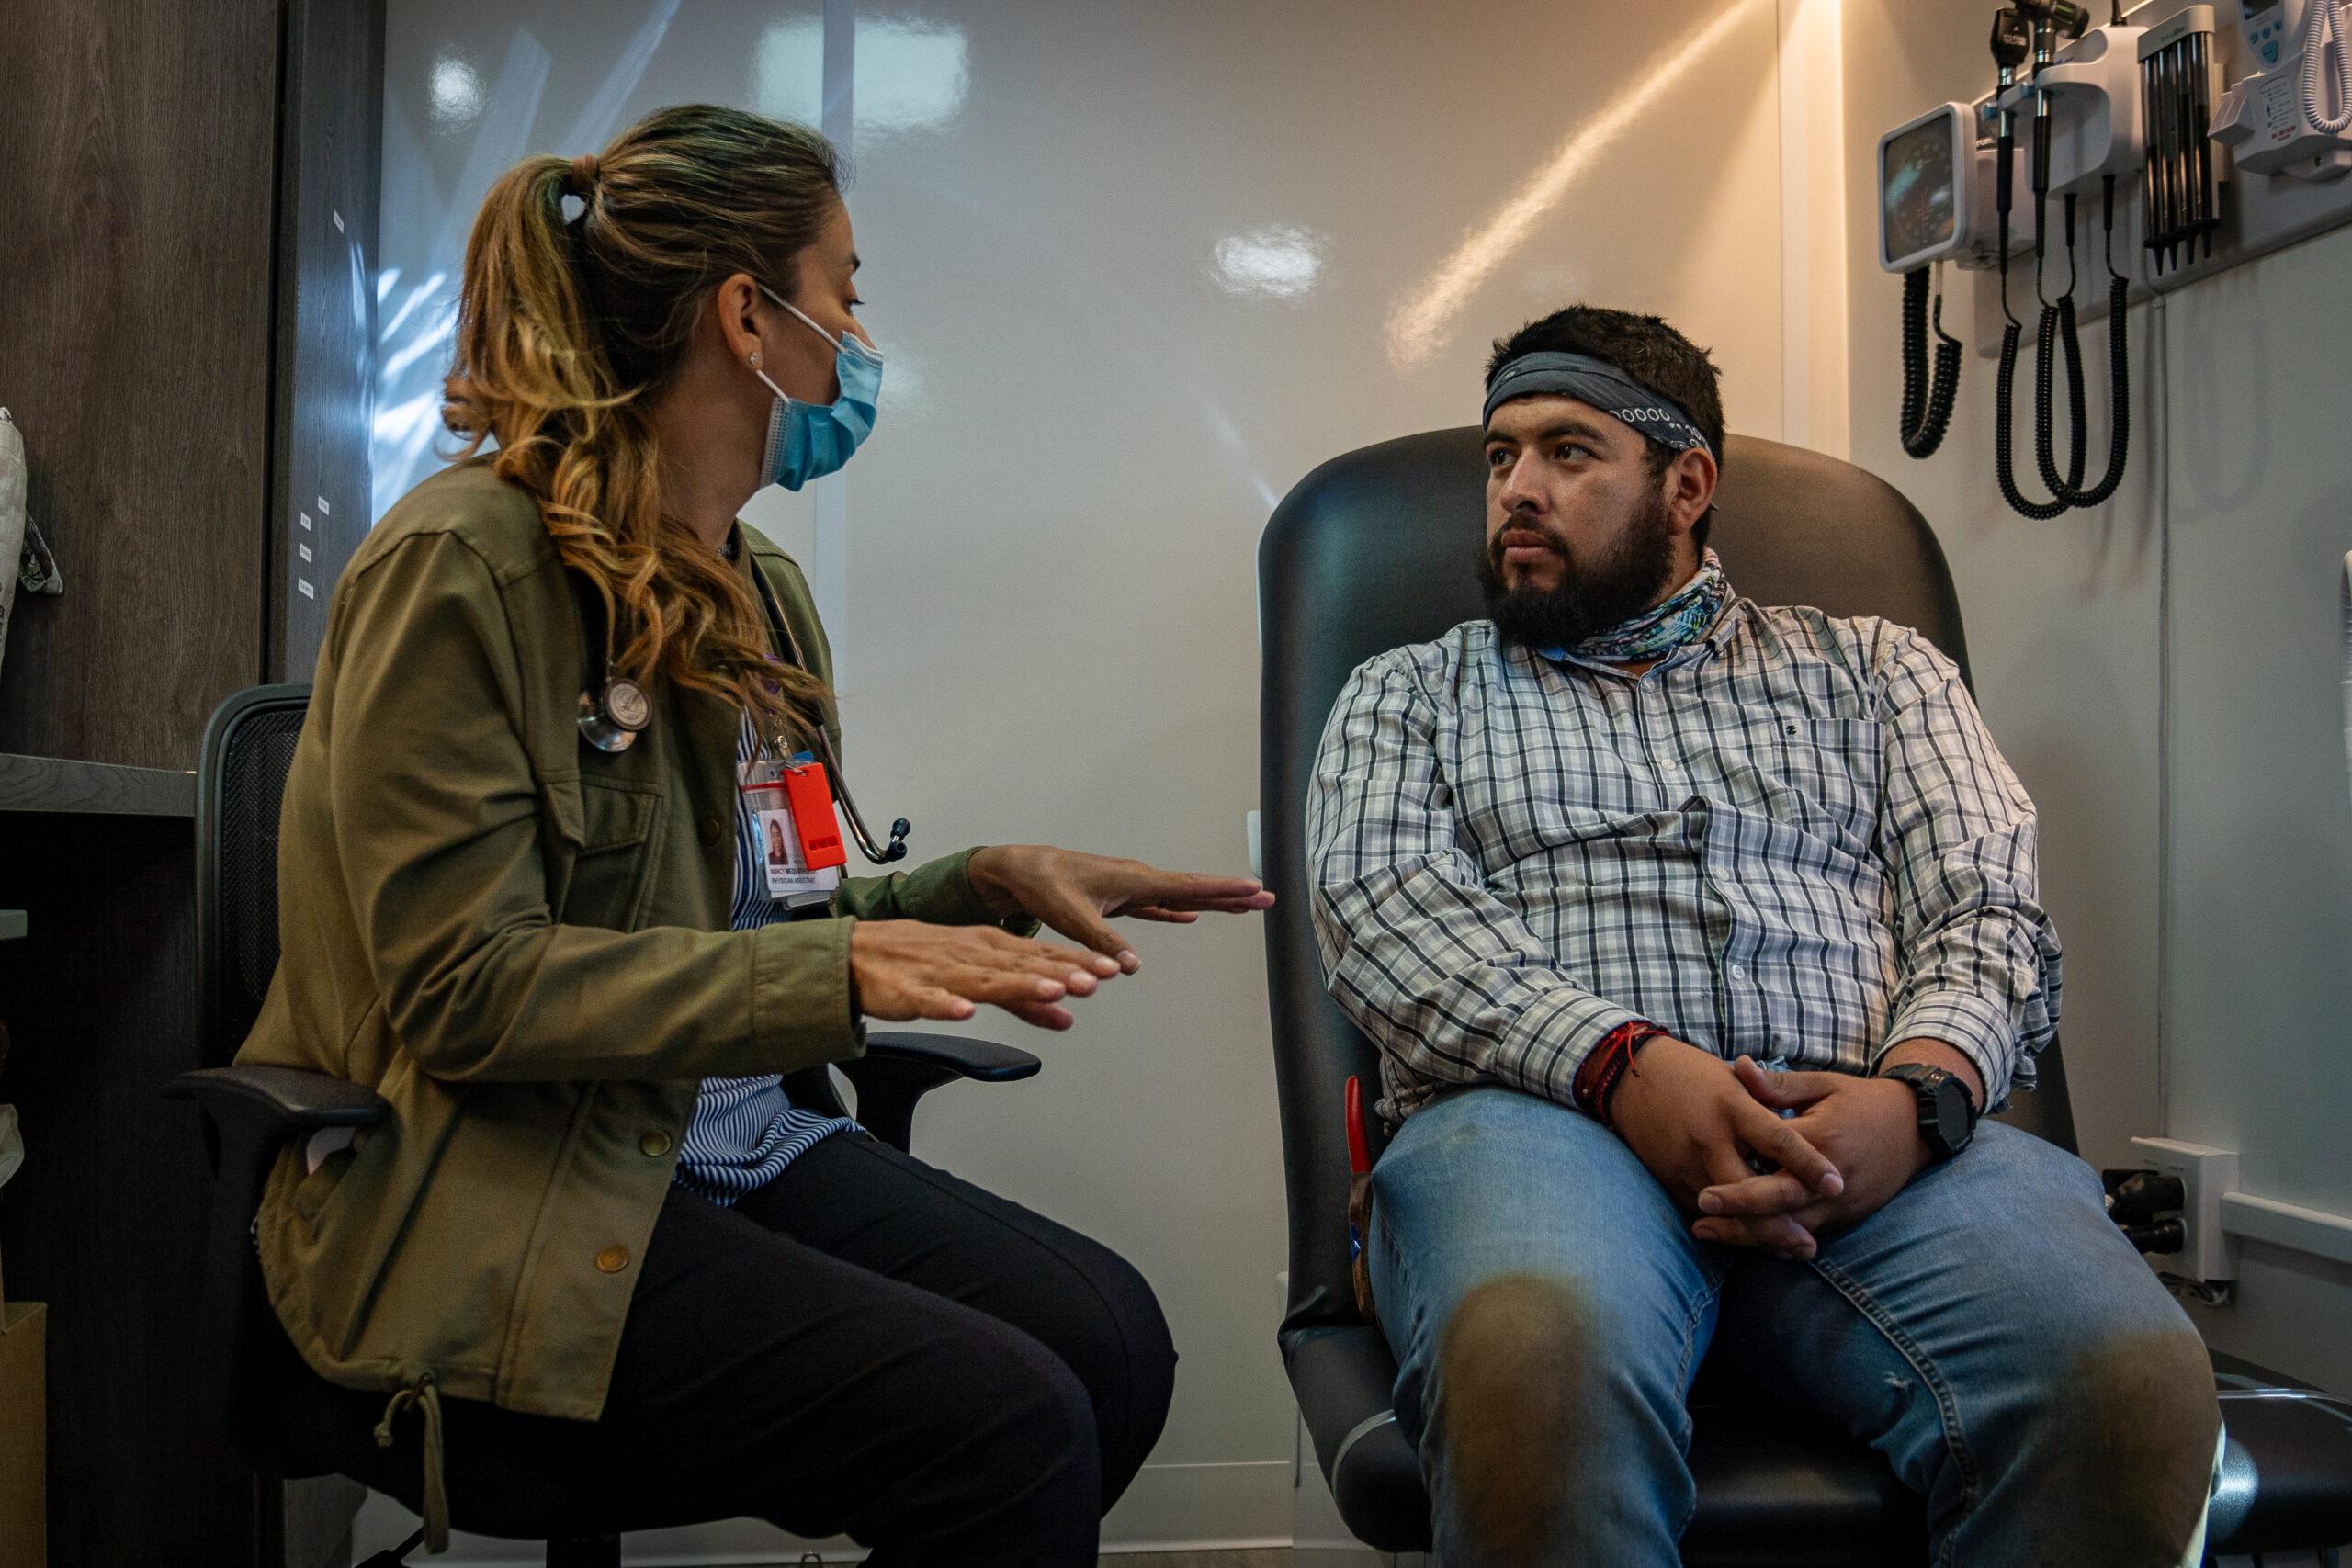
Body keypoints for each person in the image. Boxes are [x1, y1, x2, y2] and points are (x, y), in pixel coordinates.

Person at [234, 104, 1272, 1564]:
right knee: (1006, 1428)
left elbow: (757, 922)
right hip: (511, 1179)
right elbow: (463, 991)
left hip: (729, 1136)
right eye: (844, 292)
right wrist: (836, 981)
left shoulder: (754, 587)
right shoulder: (462, 566)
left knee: (1111, 1346)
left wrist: (980, 880)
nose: (856, 339)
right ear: (747, 316)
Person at [1306, 305, 2222, 1566]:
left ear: (1687, 485)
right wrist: (1626, 1067)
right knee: (1536, 1354)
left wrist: (1924, 1099)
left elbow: (1986, 905)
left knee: (2127, 1382)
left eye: (1569, 452)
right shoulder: (1406, 694)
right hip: (1540, 1130)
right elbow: (1390, 922)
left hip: (1869, 1142)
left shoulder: (1878, 673)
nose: (1517, 488)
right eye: (1500, 456)